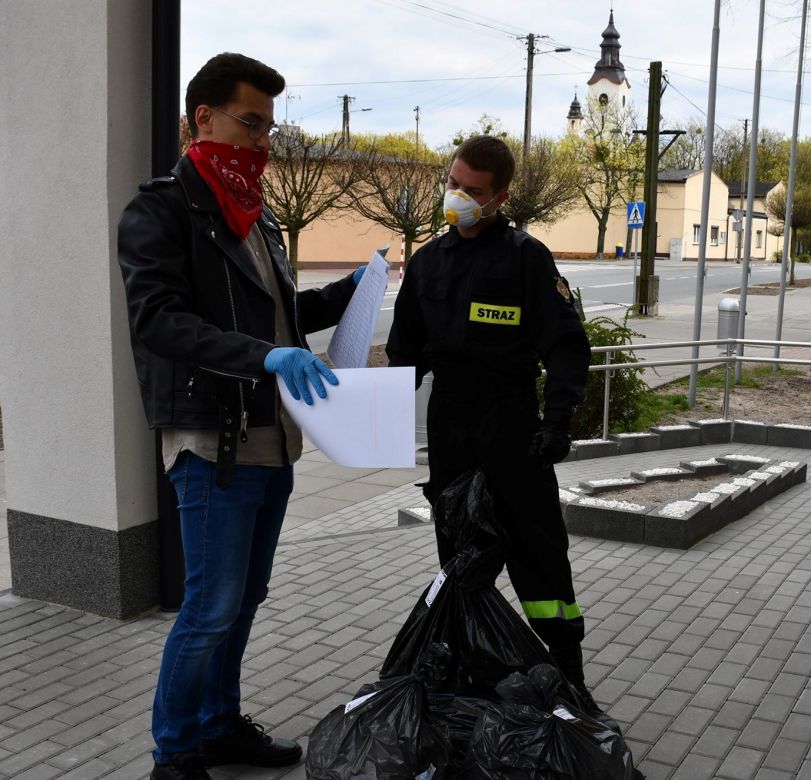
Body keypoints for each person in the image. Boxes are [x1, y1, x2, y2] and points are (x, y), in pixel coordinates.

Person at [118, 53, 363, 780]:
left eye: (268, 128)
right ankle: (175, 752)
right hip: (210, 438)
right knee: (210, 606)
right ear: (203, 117)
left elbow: (284, 321)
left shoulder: (255, 215)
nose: (262, 143)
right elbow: (160, 320)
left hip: (271, 438)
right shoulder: (159, 211)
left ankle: (220, 727)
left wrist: (353, 291)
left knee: (244, 600)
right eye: (250, 124)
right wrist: (263, 358)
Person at [385, 136, 600, 715]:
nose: (457, 197)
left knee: (540, 560)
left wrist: (558, 422)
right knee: (459, 562)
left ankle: (567, 679)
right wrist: (362, 407)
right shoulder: (429, 261)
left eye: (472, 191)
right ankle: (466, 671)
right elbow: (404, 357)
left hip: (513, 431)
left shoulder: (526, 258)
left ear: (500, 197)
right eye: (453, 183)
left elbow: (567, 347)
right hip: (451, 430)